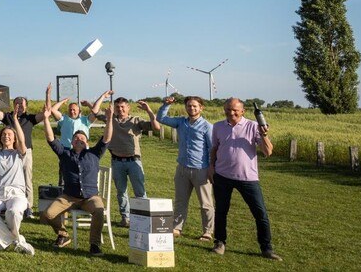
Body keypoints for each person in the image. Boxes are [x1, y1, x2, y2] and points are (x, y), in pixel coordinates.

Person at [40, 93, 115, 256]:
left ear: (87, 141)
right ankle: (63, 233)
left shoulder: (95, 153)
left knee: (99, 210)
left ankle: (94, 244)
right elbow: (51, 138)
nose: (79, 139)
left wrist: (109, 120)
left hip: (90, 197)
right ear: (72, 142)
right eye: (76, 138)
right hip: (68, 197)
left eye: (82, 138)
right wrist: (46, 118)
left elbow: (107, 138)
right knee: (47, 214)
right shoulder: (65, 154)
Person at [210, 98, 281, 261]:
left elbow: (268, 152)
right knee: (221, 211)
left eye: (235, 110)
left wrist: (264, 136)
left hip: (248, 178)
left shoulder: (253, 126)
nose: (231, 112)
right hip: (222, 176)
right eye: (228, 109)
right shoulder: (218, 126)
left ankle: (266, 248)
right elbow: (214, 148)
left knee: (260, 213)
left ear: (243, 111)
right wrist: (211, 167)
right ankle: (219, 243)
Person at [92, 97, 160, 227]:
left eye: (123, 107)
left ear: (128, 107)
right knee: (121, 192)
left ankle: (143, 218)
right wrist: (104, 96)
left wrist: (149, 111)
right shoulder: (110, 119)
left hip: (134, 161)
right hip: (117, 161)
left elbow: (156, 127)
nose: (120, 109)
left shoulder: (136, 120)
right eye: (117, 107)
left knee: (140, 191)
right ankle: (125, 218)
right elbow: (95, 110)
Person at [157, 95, 215, 240]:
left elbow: (212, 148)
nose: (192, 108)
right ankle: (177, 228)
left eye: (195, 106)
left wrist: (211, 168)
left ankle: (208, 231)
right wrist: (166, 105)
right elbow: (161, 119)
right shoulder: (181, 122)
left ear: (201, 108)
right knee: (180, 201)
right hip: (182, 168)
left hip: (201, 170)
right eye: (189, 106)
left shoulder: (207, 126)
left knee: (205, 203)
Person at [0, 87, 48, 220]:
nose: (19, 106)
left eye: (22, 104)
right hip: (10, 153)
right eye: (17, 103)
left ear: (26, 106)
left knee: (27, 179)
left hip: (25, 151)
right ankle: (7, 203)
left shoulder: (30, 118)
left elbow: (45, 114)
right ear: (13, 105)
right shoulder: (8, 116)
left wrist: (47, 95)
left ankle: (28, 207)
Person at [0, 123, 34, 255]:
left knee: (14, 211)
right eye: (4, 134)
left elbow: (22, 140)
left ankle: (7, 240)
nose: (6, 136)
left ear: (14, 138)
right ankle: (16, 240)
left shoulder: (19, 153)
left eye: (9, 134)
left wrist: (15, 120)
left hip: (16, 193)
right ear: (0, 137)